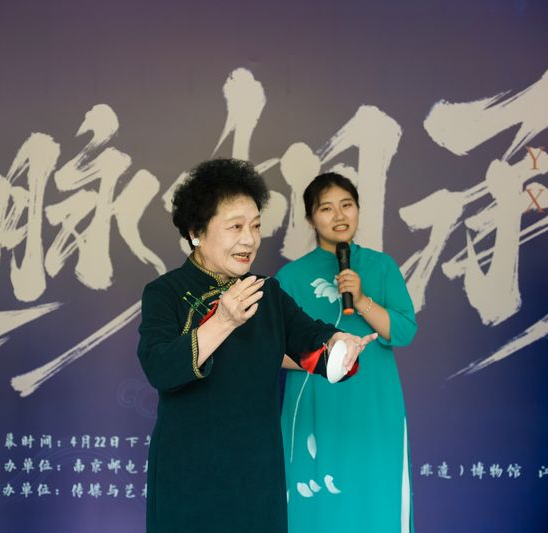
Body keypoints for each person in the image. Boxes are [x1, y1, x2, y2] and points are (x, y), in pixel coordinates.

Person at [137, 159, 376, 533]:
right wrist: (222, 321)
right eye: (235, 227)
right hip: (189, 471)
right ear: (196, 232)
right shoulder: (165, 293)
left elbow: (312, 343)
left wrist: (340, 345)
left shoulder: (268, 293)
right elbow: (160, 368)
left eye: (256, 226)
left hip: (257, 472)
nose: (249, 239)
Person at [278, 172, 418, 532]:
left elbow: (403, 331)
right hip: (315, 402)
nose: (339, 215)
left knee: (375, 501)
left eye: (347, 205)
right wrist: (326, 361)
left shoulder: (381, 266)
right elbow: (271, 350)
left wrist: (362, 298)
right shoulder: (290, 277)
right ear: (310, 218)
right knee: (315, 506)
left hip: (373, 400)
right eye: (326, 208)